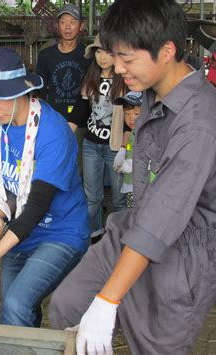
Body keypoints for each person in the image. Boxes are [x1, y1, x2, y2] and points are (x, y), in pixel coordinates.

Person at [49, 0, 216, 354]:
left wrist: (107, 300)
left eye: (127, 59)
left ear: (166, 51)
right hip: (134, 226)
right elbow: (148, 215)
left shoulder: (198, 124)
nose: (118, 68)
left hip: (180, 253)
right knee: (67, 305)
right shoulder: (153, 90)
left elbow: (161, 220)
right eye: (113, 55)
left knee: (154, 345)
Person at [0, 48, 90, 328]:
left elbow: (37, 206)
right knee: (17, 309)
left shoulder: (53, 132)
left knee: (16, 304)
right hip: (17, 229)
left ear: (19, 89)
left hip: (60, 233)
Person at [68, 34, 127, 240]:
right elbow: (81, 109)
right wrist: (66, 132)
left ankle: (119, 237)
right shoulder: (90, 77)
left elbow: (132, 116)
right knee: (92, 197)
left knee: (120, 198)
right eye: (98, 52)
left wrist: (125, 145)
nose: (102, 57)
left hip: (115, 145)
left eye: (108, 52)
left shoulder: (126, 79)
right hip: (91, 144)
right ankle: (95, 234)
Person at [36, 4, 89, 131]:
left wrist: (75, 121)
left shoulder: (89, 55)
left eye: (72, 22)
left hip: (82, 122)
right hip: (53, 119)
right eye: (63, 22)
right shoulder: (45, 55)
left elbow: (90, 92)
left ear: (81, 25)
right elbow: (40, 91)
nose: (67, 27)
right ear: (57, 25)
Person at [112, 91, 142, 208]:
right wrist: (122, 152)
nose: (131, 119)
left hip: (143, 189)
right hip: (130, 187)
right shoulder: (131, 133)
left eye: (136, 113)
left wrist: (133, 164)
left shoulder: (149, 133)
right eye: (127, 113)